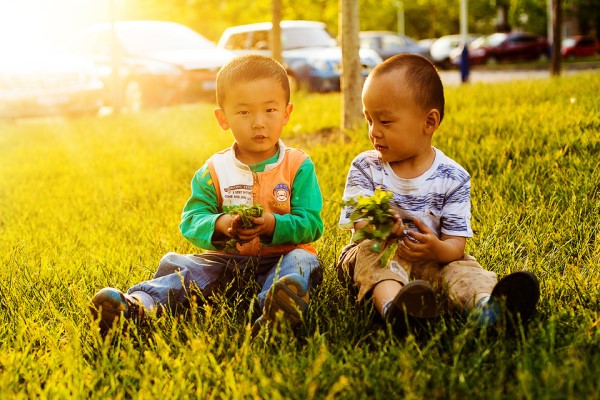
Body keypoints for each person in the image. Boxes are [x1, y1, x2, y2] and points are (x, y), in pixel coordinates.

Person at [90, 54, 324, 335]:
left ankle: (277, 309)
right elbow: (192, 219)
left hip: (283, 256)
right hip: (225, 262)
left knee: (304, 261)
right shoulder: (214, 170)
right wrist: (221, 225)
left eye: (270, 110)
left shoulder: (298, 165)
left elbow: (312, 223)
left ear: (286, 113)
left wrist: (274, 225)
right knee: (182, 266)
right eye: (244, 112)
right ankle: (138, 305)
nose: (258, 122)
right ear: (222, 118)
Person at [337, 54, 539, 336]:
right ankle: (396, 311)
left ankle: (489, 309)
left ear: (429, 121)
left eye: (385, 121)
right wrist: (380, 226)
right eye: (369, 119)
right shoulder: (366, 167)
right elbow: (359, 224)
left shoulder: (453, 177)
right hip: (377, 250)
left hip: (434, 261)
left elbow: (455, 245)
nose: (374, 132)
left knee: (464, 271)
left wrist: (435, 249)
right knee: (375, 260)